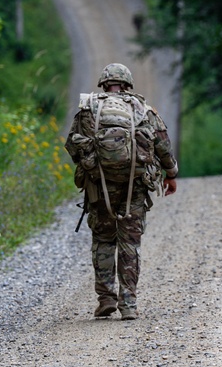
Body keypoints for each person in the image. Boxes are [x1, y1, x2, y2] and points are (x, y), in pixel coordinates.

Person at [65, 63, 178, 320]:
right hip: (134, 186)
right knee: (130, 243)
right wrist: (171, 174)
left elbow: (71, 145)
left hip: (99, 186)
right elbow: (162, 145)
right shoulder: (142, 108)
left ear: (103, 84)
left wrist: (94, 165)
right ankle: (128, 304)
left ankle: (106, 298)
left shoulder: (88, 109)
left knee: (103, 240)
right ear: (128, 84)